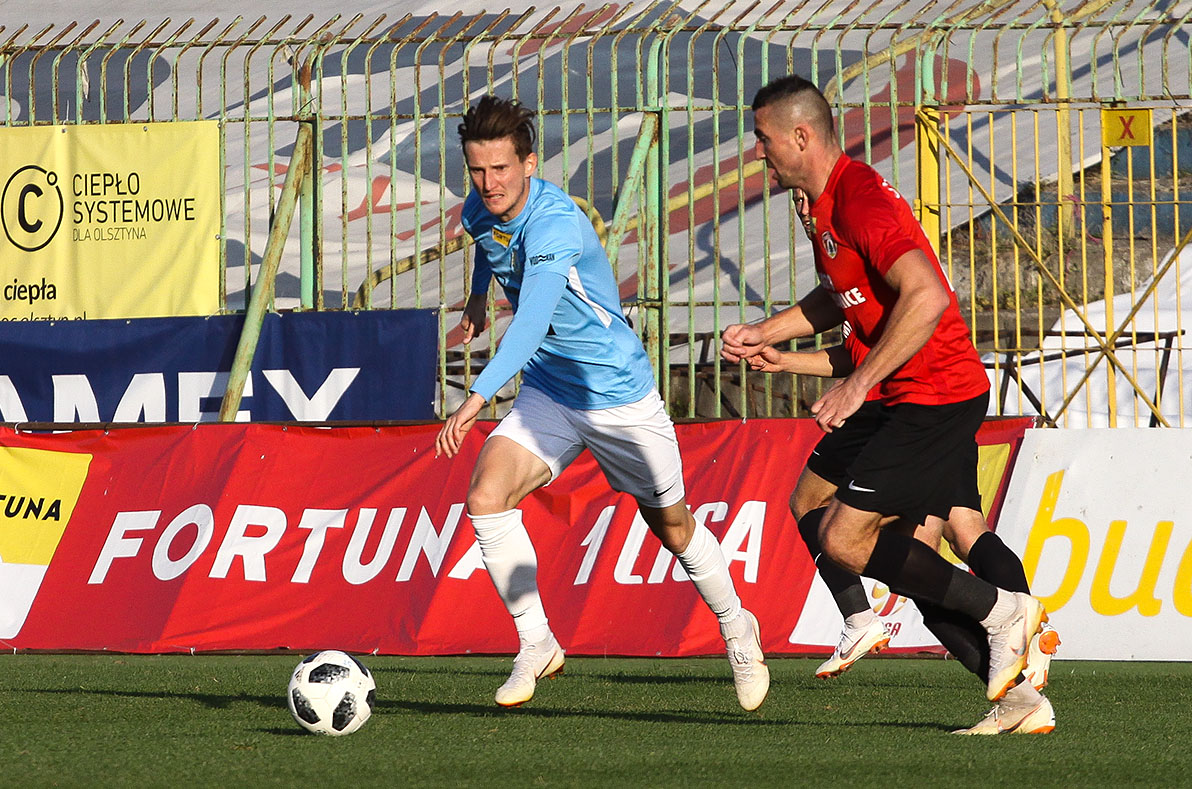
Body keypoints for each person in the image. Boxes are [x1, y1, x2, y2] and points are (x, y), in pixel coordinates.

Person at [721, 74, 1053, 733]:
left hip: (934, 395)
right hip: (905, 396)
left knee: (852, 537)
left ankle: (1005, 613)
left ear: (801, 136)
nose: (757, 151)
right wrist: (769, 332)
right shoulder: (822, 207)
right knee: (877, 540)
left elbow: (927, 295)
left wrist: (857, 382)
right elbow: (839, 300)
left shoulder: (860, 199)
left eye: (763, 138)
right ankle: (1017, 697)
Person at [435, 94, 768, 711]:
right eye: (477, 170)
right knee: (486, 497)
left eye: (501, 168)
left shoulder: (555, 225)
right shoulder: (481, 207)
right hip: (551, 391)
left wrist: (475, 398)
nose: (489, 182)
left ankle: (736, 626)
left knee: (672, 528)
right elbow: (487, 244)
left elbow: (531, 322)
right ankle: (536, 642)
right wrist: (478, 295)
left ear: (529, 164)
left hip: (616, 395)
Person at [744, 341, 1061, 720]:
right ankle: (1026, 664)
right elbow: (861, 342)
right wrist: (783, 356)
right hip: (945, 404)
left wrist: (841, 375)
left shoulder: (901, 305)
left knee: (816, 508)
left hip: (896, 409)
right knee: (965, 532)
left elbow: (885, 336)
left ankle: (861, 618)